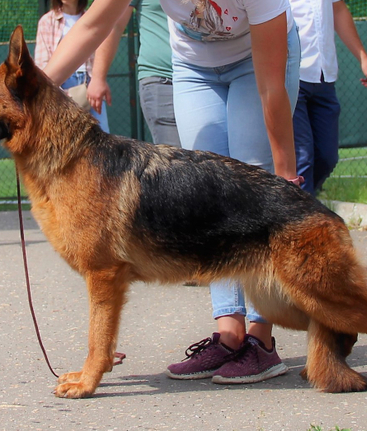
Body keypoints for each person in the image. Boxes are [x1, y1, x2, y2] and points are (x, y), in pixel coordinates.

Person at [43, 0, 303, 384]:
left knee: (256, 184)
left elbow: (270, 87)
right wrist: (33, 88)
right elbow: (91, 27)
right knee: (209, 196)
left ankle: (261, 340)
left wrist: (286, 175)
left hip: (257, 64)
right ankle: (229, 335)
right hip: (195, 64)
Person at [291, 0, 367, 196]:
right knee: (302, 158)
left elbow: (338, 9)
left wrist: (363, 58)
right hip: (290, 76)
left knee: (327, 157)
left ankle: (298, 208)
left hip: (324, 76)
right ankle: (304, 220)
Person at [89, 0, 181, 147]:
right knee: (179, 158)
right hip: (162, 79)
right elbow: (114, 25)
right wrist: (98, 77)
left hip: (210, 76)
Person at [34, 0, 111, 132]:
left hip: (89, 84)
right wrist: (57, 92)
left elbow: (101, 52)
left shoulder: (91, 18)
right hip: (60, 84)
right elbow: (42, 63)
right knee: (64, 137)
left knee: (102, 134)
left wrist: (98, 80)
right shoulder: (47, 21)